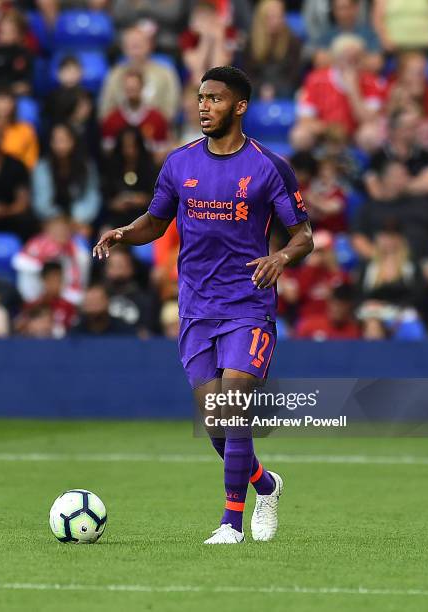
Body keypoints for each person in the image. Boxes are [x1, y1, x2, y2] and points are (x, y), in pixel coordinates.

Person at [94, 66, 313, 544]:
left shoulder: (268, 166)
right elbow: (156, 221)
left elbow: (304, 236)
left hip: (248, 305)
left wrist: (280, 255)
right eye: (200, 98)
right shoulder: (179, 163)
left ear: (239, 106)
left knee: (234, 406)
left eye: (214, 98)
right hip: (196, 308)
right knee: (216, 423)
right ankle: (266, 484)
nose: (203, 106)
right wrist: (125, 233)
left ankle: (231, 523)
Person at [293, 34, 386, 147]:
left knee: (370, 134)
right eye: (347, 59)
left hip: (356, 134)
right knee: (300, 134)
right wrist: (329, 129)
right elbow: (305, 119)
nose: (351, 65)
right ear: (336, 59)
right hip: (324, 133)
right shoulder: (316, 80)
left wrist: (354, 90)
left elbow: (369, 120)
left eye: (356, 60)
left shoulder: (372, 82)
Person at [353, 160, 428, 262]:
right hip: (384, 267)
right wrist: (380, 261)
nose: (402, 179)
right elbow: (358, 239)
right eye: (396, 175)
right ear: (384, 179)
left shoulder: (423, 204)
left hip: (425, 266)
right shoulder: (370, 208)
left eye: (405, 174)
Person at [99, 25, 181, 121]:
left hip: (156, 129)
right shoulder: (114, 75)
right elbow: (106, 110)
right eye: (132, 46)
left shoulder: (166, 73)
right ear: (124, 48)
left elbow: (172, 107)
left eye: (139, 46)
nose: (136, 52)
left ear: (150, 46)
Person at [32, 123, 101, 235]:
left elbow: (92, 197)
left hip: (79, 221)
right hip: (50, 221)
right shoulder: (42, 167)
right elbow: (41, 204)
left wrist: (77, 220)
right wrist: (60, 220)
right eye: (56, 140)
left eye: (64, 140)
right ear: (50, 143)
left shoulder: (86, 166)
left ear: (73, 141)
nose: (60, 145)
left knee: (85, 234)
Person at [12, 215, 90, 305]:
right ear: (47, 231)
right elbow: (20, 264)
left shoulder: (77, 250)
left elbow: (81, 279)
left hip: (67, 296)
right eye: (57, 230)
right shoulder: (35, 245)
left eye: (65, 230)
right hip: (37, 293)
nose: (61, 233)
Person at [364, 108, 428, 200]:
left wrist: (393, 186)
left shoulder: (425, 155)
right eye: (411, 127)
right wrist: (417, 183)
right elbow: (375, 190)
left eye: (417, 127)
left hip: (420, 210)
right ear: (396, 130)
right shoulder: (378, 156)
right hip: (389, 211)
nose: (417, 131)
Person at [101, 68, 169, 158]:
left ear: (142, 87)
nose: (132, 93)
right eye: (128, 89)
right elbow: (108, 153)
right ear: (123, 89)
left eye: (134, 88)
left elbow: (161, 154)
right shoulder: (112, 120)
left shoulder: (157, 118)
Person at [101, 126, 158, 228]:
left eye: (133, 146)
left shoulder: (149, 168)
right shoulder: (111, 168)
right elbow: (105, 197)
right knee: (106, 234)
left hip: (143, 217)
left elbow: (157, 196)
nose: (130, 151)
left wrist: (142, 199)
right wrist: (115, 203)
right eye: (126, 146)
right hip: (117, 217)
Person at [246, 0, 303, 100]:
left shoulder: (293, 42)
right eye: (270, 17)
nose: (276, 21)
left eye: (279, 17)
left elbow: (294, 75)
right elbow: (249, 74)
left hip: (284, 88)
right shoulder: (251, 42)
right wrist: (262, 88)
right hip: (257, 88)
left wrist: (274, 89)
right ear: (261, 19)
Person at [179, 0, 237, 87]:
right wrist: (205, 39)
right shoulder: (188, 36)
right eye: (200, 18)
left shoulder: (227, 34)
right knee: (197, 78)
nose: (204, 23)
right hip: (194, 82)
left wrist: (218, 39)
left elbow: (219, 67)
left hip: (221, 81)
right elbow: (196, 67)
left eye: (207, 18)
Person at [17, 260, 76, 337]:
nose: (55, 284)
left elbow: (72, 332)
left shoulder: (69, 307)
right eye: (52, 280)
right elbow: (21, 328)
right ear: (44, 280)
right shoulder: (31, 306)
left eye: (58, 280)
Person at [0, 9, 34, 95]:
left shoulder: (25, 55)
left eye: (10, 30)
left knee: (27, 106)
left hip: (17, 97)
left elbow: (25, 85)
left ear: (20, 34)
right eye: (3, 29)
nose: (5, 31)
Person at [296, 283, 360, 339]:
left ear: (349, 308)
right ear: (329, 303)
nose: (336, 309)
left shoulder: (354, 331)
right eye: (334, 304)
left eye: (341, 306)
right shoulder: (310, 325)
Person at [70, 283, 136, 336]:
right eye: (90, 302)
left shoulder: (123, 329)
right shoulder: (76, 334)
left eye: (97, 301)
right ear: (84, 306)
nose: (94, 306)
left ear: (107, 302)